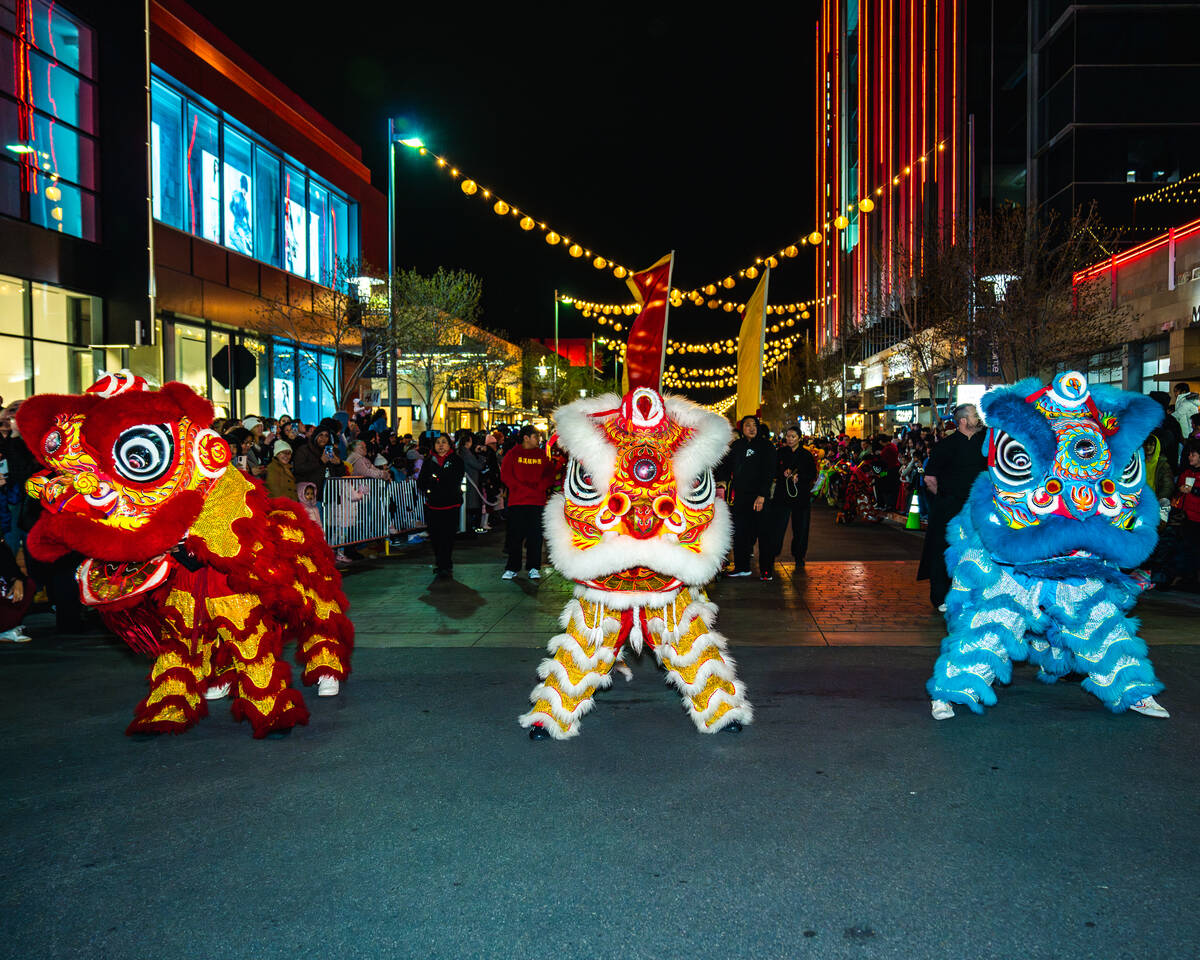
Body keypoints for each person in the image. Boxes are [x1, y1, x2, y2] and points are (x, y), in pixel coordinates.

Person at [917, 403, 986, 611]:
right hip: (948, 508)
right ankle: (941, 597)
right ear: (963, 421)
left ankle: (975, 594)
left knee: (976, 550)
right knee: (942, 549)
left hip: (977, 507)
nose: (979, 418)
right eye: (975, 415)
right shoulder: (946, 446)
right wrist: (946, 498)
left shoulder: (986, 443)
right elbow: (930, 478)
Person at [716, 415, 776, 577]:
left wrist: (762, 495)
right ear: (742, 429)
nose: (751, 428)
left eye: (754, 425)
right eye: (747, 425)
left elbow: (769, 472)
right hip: (740, 497)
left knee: (764, 534)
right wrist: (722, 480)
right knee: (740, 532)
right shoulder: (737, 445)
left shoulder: (766, 446)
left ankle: (766, 570)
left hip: (759, 498)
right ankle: (742, 567)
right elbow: (725, 466)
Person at [760, 426, 817, 580]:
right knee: (777, 527)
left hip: (801, 496)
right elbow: (772, 471)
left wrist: (800, 477)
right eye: (788, 436)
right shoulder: (780, 453)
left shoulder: (806, 454)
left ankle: (799, 556)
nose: (790, 439)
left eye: (793, 436)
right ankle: (772, 554)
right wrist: (782, 473)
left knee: (801, 527)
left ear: (799, 438)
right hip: (782, 496)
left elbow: (813, 473)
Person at [500, 425, 555, 580]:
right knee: (515, 537)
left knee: (535, 536)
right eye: (535, 436)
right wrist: (521, 488)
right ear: (526, 438)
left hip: (537, 502)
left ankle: (533, 567)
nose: (538, 439)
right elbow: (505, 475)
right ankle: (512, 568)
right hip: (517, 502)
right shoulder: (513, 454)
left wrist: (540, 487)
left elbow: (549, 475)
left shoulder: (541, 455)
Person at [417, 433, 465, 578]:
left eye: (444, 442)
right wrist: (430, 486)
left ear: (449, 444)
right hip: (433, 504)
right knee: (436, 536)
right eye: (438, 442)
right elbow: (421, 481)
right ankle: (440, 562)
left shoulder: (456, 460)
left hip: (451, 504)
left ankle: (445, 563)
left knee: (447, 536)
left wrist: (437, 478)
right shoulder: (428, 461)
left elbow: (455, 479)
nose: (441, 445)